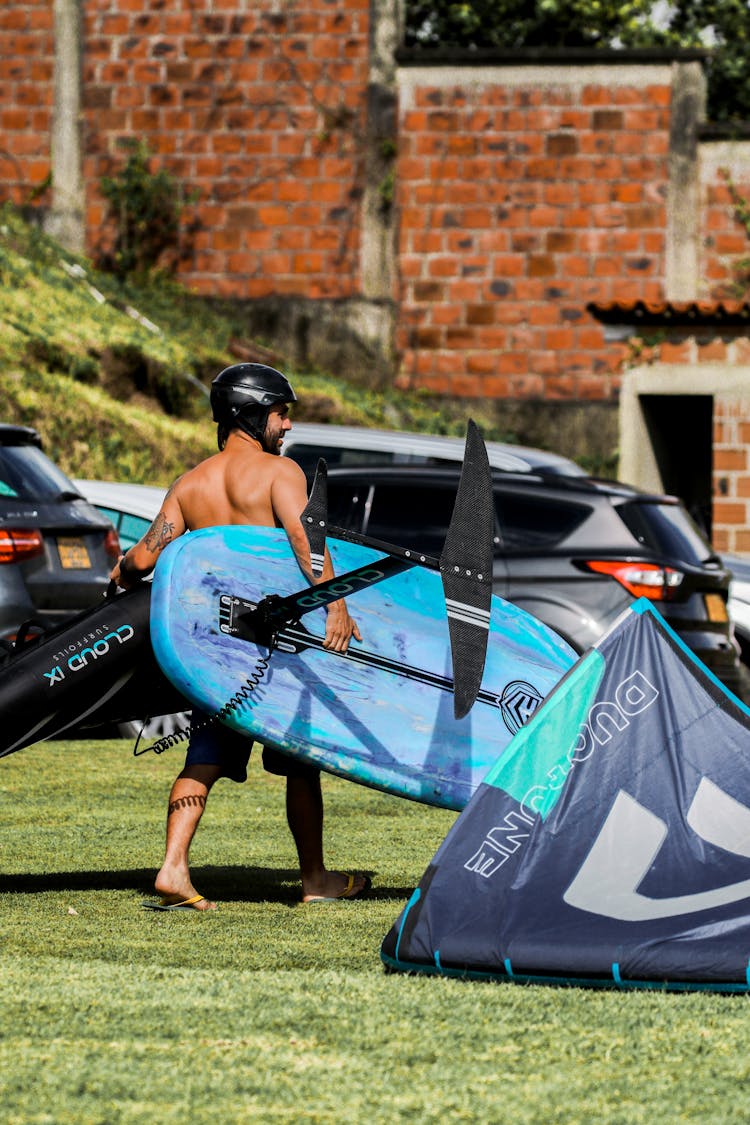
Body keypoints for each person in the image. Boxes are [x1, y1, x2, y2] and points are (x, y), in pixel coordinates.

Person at [110, 363, 367, 911]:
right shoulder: (281, 474)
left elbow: (145, 555)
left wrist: (122, 573)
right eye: (281, 413)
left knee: (202, 759)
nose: (288, 425)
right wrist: (336, 603)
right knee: (301, 763)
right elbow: (306, 544)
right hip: (278, 648)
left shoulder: (190, 484)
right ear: (250, 414)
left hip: (218, 650)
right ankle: (315, 878)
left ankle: (174, 868)